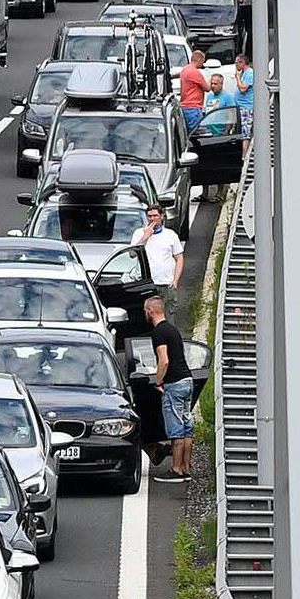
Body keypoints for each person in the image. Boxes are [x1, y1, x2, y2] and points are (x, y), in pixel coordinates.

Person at [145, 293, 195, 483]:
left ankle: (175, 469)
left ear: (150, 311)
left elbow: (164, 361)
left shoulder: (158, 333)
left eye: (145, 311)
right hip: (187, 380)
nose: (145, 314)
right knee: (186, 426)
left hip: (173, 383)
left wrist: (158, 382)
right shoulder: (173, 330)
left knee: (175, 429)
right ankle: (185, 468)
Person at [133, 204, 185, 289]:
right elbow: (132, 254)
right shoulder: (138, 233)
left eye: (155, 216)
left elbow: (179, 258)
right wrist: (145, 237)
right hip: (145, 283)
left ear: (161, 217)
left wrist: (175, 280)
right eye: (149, 216)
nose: (152, 219)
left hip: (166, 282)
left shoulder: (170, 234)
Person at [179, 49, 209, 129]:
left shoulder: (184, 70)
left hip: (185, 106)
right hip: (193, 107)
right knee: (195, 132)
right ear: (199, 59)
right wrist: (210, 80)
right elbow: (207, 88)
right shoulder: (194, 72)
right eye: (203, 61)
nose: (203, 63)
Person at [233, 54, 256, 147]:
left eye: (236, 63)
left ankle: (244, 156)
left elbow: (243, 89)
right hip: (240, 107)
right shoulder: (244, 73)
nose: (235, 66)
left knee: (245, 133)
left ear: (242, 62)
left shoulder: (250, 73)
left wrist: (237, 77)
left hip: (246, 107)